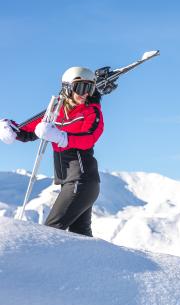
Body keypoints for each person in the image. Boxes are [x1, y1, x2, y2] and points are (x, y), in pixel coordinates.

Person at [0, 67, 104, 237]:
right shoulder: (56, 110)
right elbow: (29, 131)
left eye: (90, 88)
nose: (85, 94)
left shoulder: (91, 111)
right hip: (70, 182)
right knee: (80, 236)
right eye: (81, 88)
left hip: (81, 181)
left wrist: (61, 136)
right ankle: (99, 264)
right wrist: (9, 127)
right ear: (67, 87)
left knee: (51, 233)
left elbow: (89, 138)